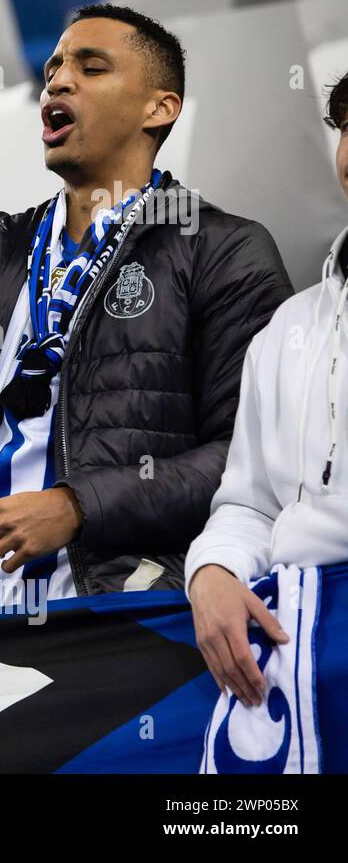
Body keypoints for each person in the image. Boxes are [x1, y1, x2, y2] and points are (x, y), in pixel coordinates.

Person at [0, 4, 292, 612]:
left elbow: (252, 456)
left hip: (117, 623)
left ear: (160, 107)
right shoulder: (0, 253)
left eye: (91, 68)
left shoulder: (223, 250)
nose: (59, 80)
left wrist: (79, 506)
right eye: (53, 69)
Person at [186, 71, 348, 707]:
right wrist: (215, 570)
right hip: (295, 650)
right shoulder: (290, 327)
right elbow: (250, 504)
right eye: (346, 128)